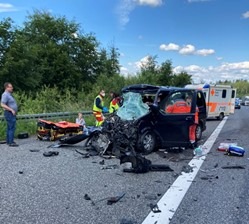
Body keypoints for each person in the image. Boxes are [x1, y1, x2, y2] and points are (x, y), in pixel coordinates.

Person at [1, 82, 19, 147]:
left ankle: (9, 141)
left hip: (11, 113)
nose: (12, 88)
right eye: (10, 87)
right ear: (6, 87)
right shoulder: (5, 95)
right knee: (11, 128)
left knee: (10, 127)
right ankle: (11, 142)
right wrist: (11, 110)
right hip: (9, 113)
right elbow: (2, 104)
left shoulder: (9, 95)